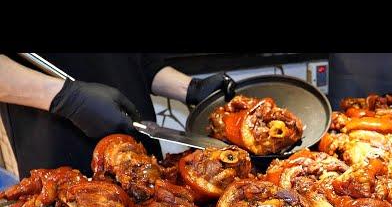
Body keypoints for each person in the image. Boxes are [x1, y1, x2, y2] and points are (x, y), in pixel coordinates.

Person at [0, 53, 226, 178]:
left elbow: (134, 60)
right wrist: (66, 98)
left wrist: (190, 88)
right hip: (59, 154)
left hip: (139, 150)